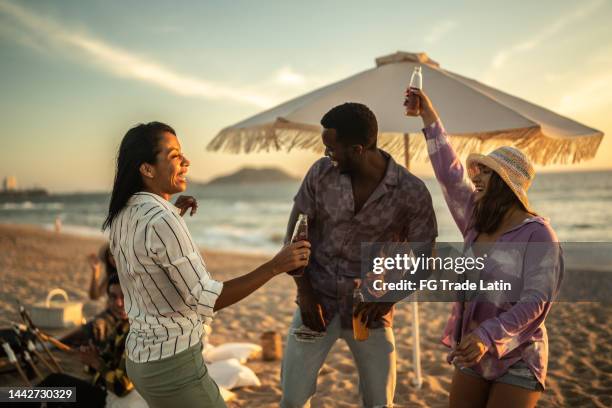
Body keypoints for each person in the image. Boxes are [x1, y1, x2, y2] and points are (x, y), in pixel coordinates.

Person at [102, 121, 310, 408]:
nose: (186, 161)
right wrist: (275, 265)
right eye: (175, 156)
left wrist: (172, 208)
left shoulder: (121, 215)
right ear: (147, 169)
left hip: (140, 359)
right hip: (173, 367)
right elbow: (205, 299)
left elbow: (145, 259)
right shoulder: (163, 220)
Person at [406, 89, 563, 408]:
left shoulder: (538, 235)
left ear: (506, 183)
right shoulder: (476, 220)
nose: (475, 177)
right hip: (472, 349)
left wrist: (489, 335)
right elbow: (450, 175)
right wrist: (429, 115)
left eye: (485, 172)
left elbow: (537, 301)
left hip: (519, 355)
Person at [280, 103, 437, 407]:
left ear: (358, 149)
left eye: (332, 148)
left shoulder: (412, 192)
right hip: (315, 306)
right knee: (292, 400)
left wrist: (388, 298)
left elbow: (425, 261)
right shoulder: (320, 173)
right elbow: (293, 240)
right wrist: (305, 294)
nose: (327, 155)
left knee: (380, 403)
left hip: (370, 313)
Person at [25, 275, 133, 408]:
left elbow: (121, 387)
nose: (118, 303)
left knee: (55, 383)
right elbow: (104, 364)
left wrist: (95, 362)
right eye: (113, 297)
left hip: (113, 400)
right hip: (102, 390)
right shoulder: (122, 326)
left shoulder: (135, 334)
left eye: (124, 296)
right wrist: (91, 358)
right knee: (55, 392)